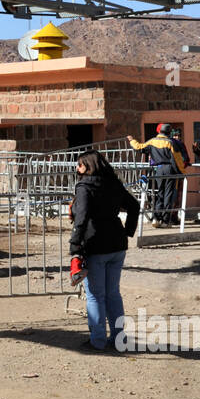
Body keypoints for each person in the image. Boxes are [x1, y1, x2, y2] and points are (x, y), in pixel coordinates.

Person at [68, 150, 141, 351]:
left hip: (95, 244)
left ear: (88, 166)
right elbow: (134, 206)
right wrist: (128, 230)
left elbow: (81, 218)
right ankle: (119, 339)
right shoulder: (113, 182)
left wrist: (74, 245)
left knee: (95, 295)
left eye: (80, 165)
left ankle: (97, 341)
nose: (77, 168)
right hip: (117, 244)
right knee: (113, 294)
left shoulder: (84, 187)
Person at [128, 124, 186, 226]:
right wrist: (182, 172)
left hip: (158, 169)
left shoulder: (152, 141)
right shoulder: (171, 143)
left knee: (159, 194)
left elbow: (139, 147)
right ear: (169, 133)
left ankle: (155, 218)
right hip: (169, 169)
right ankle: (165, 221)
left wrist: (132, 140)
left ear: (160, 132)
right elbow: (177, 159)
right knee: (168, 195)